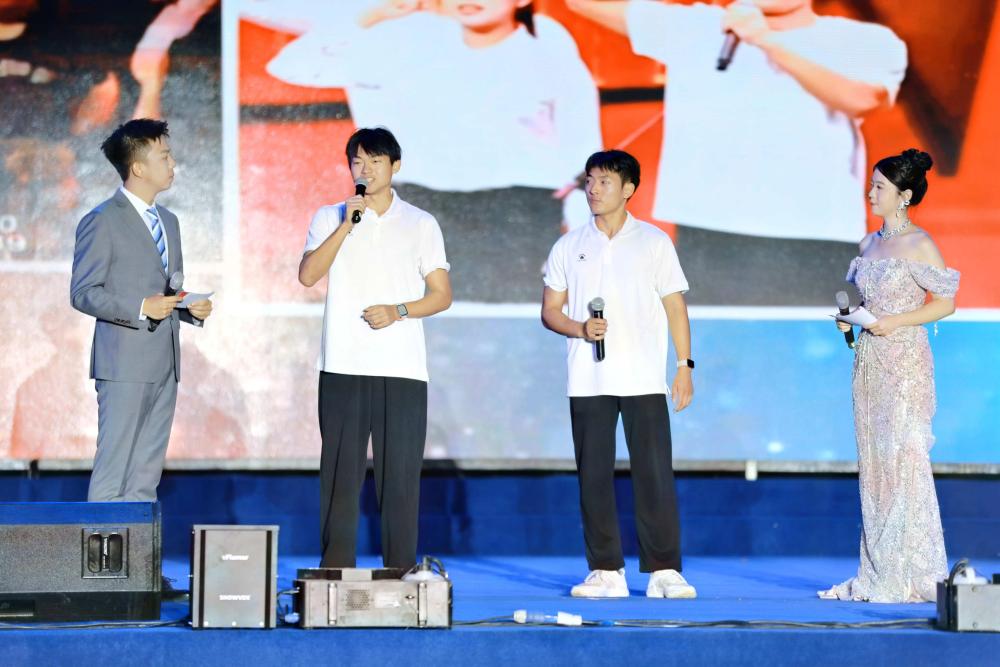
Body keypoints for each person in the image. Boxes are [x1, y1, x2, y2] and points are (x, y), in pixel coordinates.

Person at [256, 0, 602, 302]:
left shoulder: (546, 42)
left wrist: (584, 248)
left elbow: (581, 150)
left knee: (502, 325)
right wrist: (373, 13)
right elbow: (290, 65)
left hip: (518, 216)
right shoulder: (409, 38)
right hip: (422, 205)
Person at [566, 0, 907, 304]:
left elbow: (862, 98)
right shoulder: (698, 25)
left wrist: (765, 39)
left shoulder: (863, 39)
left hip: (818, 235)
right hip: (711, 233)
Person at [541, 150, 696, 598]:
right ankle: (606, 569)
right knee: (593, 476)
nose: (593, 189)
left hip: (643, 376)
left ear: (628, 188)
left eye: (604, 181)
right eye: (589, 180)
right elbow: (550, 311)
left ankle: (664, 570)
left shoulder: (654, 242)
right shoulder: (569, 245)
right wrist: (579, 328)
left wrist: (684, 365)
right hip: (587, 379)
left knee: (653, 474)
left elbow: (675, 306)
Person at [298, 126, 452, 569]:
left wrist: (398, 310)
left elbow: (441, 295)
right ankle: (335, 571)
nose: (364, 170)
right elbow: (308, 276)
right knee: (340, 477)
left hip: (402, 369)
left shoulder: (421, 223)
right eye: (357, 162)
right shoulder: (331, 216)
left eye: (375, 161)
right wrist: (346, 225)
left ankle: (400, 573)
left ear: (395, 166)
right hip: (343, 364)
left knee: (399, 479)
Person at [821, 148, 957, 603]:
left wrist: (894, 321)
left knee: (904, 458)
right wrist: (850, 321)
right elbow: (863, 301)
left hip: (905, 364)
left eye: (880, 186)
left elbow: (945, 303)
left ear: (904, 196)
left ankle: (912, 572)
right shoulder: (868, 244)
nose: (871, 192)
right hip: (869, 362)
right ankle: (881, 569)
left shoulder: (920, 244)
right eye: (872, 184)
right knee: (876, 464)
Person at [70, 118, 213, 501]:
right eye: (164, 156)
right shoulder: (102, 220)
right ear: (138, 168)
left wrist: (189, 306)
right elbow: (83, 293)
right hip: (124, 364)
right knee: (114, 470)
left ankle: (136, 542)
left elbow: (165, 289)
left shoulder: (169, 221)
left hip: (165, 362)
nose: (172, 163)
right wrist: (140, 307)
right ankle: (103, 542)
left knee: (146, 474)